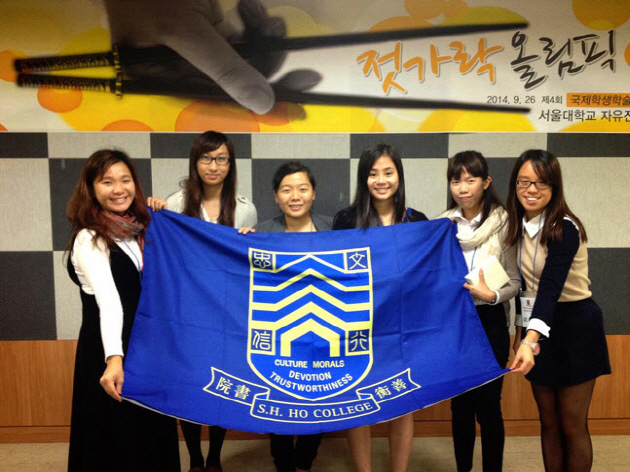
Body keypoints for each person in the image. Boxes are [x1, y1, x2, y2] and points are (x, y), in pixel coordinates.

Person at [65, 149, 180, 472]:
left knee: (150, 433)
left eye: (125, 180)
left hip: (146, 347)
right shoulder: (90, 237)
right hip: (109, 350)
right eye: (107, 181)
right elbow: (110, 300)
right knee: (114, 438)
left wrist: (159, 212)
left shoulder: (139, 229)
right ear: (91, 188)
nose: (119, 189)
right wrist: (115, 359)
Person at [149, 130, 257, 472]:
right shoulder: (177, 203)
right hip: (188, 310)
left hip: (227, 310)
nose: (214, 166)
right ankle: (195, 458)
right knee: (193, 384)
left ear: (230, 164)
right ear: (195, 162)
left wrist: (250, 241)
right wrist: (156, 211)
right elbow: (162, 250)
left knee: (222, 384)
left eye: (221, 159)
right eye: (207, 158)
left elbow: (247, 261)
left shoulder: (244, 209)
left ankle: (214, 458)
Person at [508, 150, 611, 472]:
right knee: (548, 421)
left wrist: (529, 339)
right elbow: (525, 288)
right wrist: (521, 332)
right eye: (524, 182)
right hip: (539, 326)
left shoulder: (564, 228)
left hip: (575, 327)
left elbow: (550, 289)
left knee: (572, 423)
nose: (531, 190)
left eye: (541, 183)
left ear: (554, 188)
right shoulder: (519, 227)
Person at [332, 143, 427, 472]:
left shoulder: (417, 220)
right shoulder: (346, 218)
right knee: (359, 403)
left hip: (402, 326)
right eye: (373, 174)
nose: (381, 180)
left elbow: (428, 277)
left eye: (388, 172)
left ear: (399, 176)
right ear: (364, 178)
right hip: (358, 324)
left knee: (403, 402)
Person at [439, 151, 519, 472]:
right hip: (455, 323)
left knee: (488, 407)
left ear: (486, 182)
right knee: (460, 407)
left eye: (470, 179)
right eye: (456, 180)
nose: (462, 187)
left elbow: (515, 281)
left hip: (491, 321)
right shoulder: (443, 224)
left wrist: (493, 294)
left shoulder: (504, 222)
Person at [250, 161, 330, 472]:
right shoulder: (261, 232)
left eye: (302, 189)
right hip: (278, 331)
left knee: (322, 395)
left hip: (326, 331)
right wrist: (242, 241)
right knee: (279, 397)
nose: (294, 196)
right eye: (286, 190)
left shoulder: (334, 229)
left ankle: (305, 461)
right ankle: (283, 462)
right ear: (276, 196)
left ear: (313, 194)